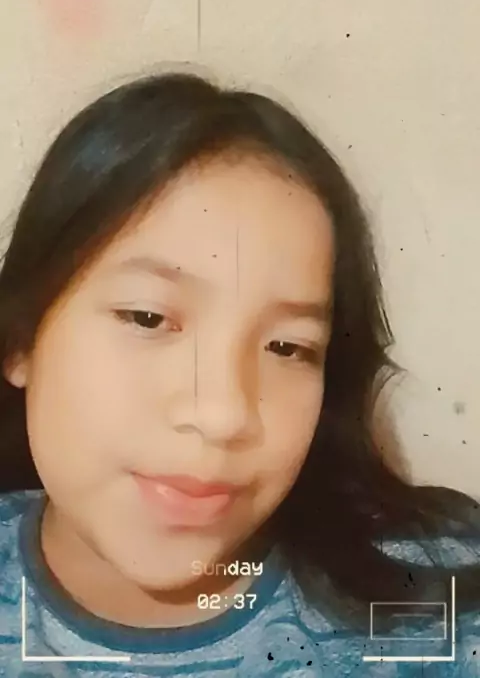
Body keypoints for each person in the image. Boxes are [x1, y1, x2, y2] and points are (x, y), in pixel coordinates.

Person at [0, 71, 478, 677]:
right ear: (22, 340)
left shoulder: (438, 611)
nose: (224, 414)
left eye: (287, 347)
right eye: (148, 317)